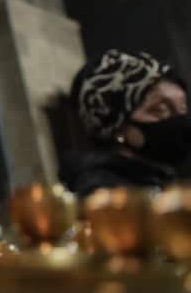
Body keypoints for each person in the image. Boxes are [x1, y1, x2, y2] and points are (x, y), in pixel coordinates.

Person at [60, 49, 191, 198]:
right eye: (160, 109)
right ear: (118, 128)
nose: (180, 119)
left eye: (183, 107)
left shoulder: (160, 179)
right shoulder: (106, 198)